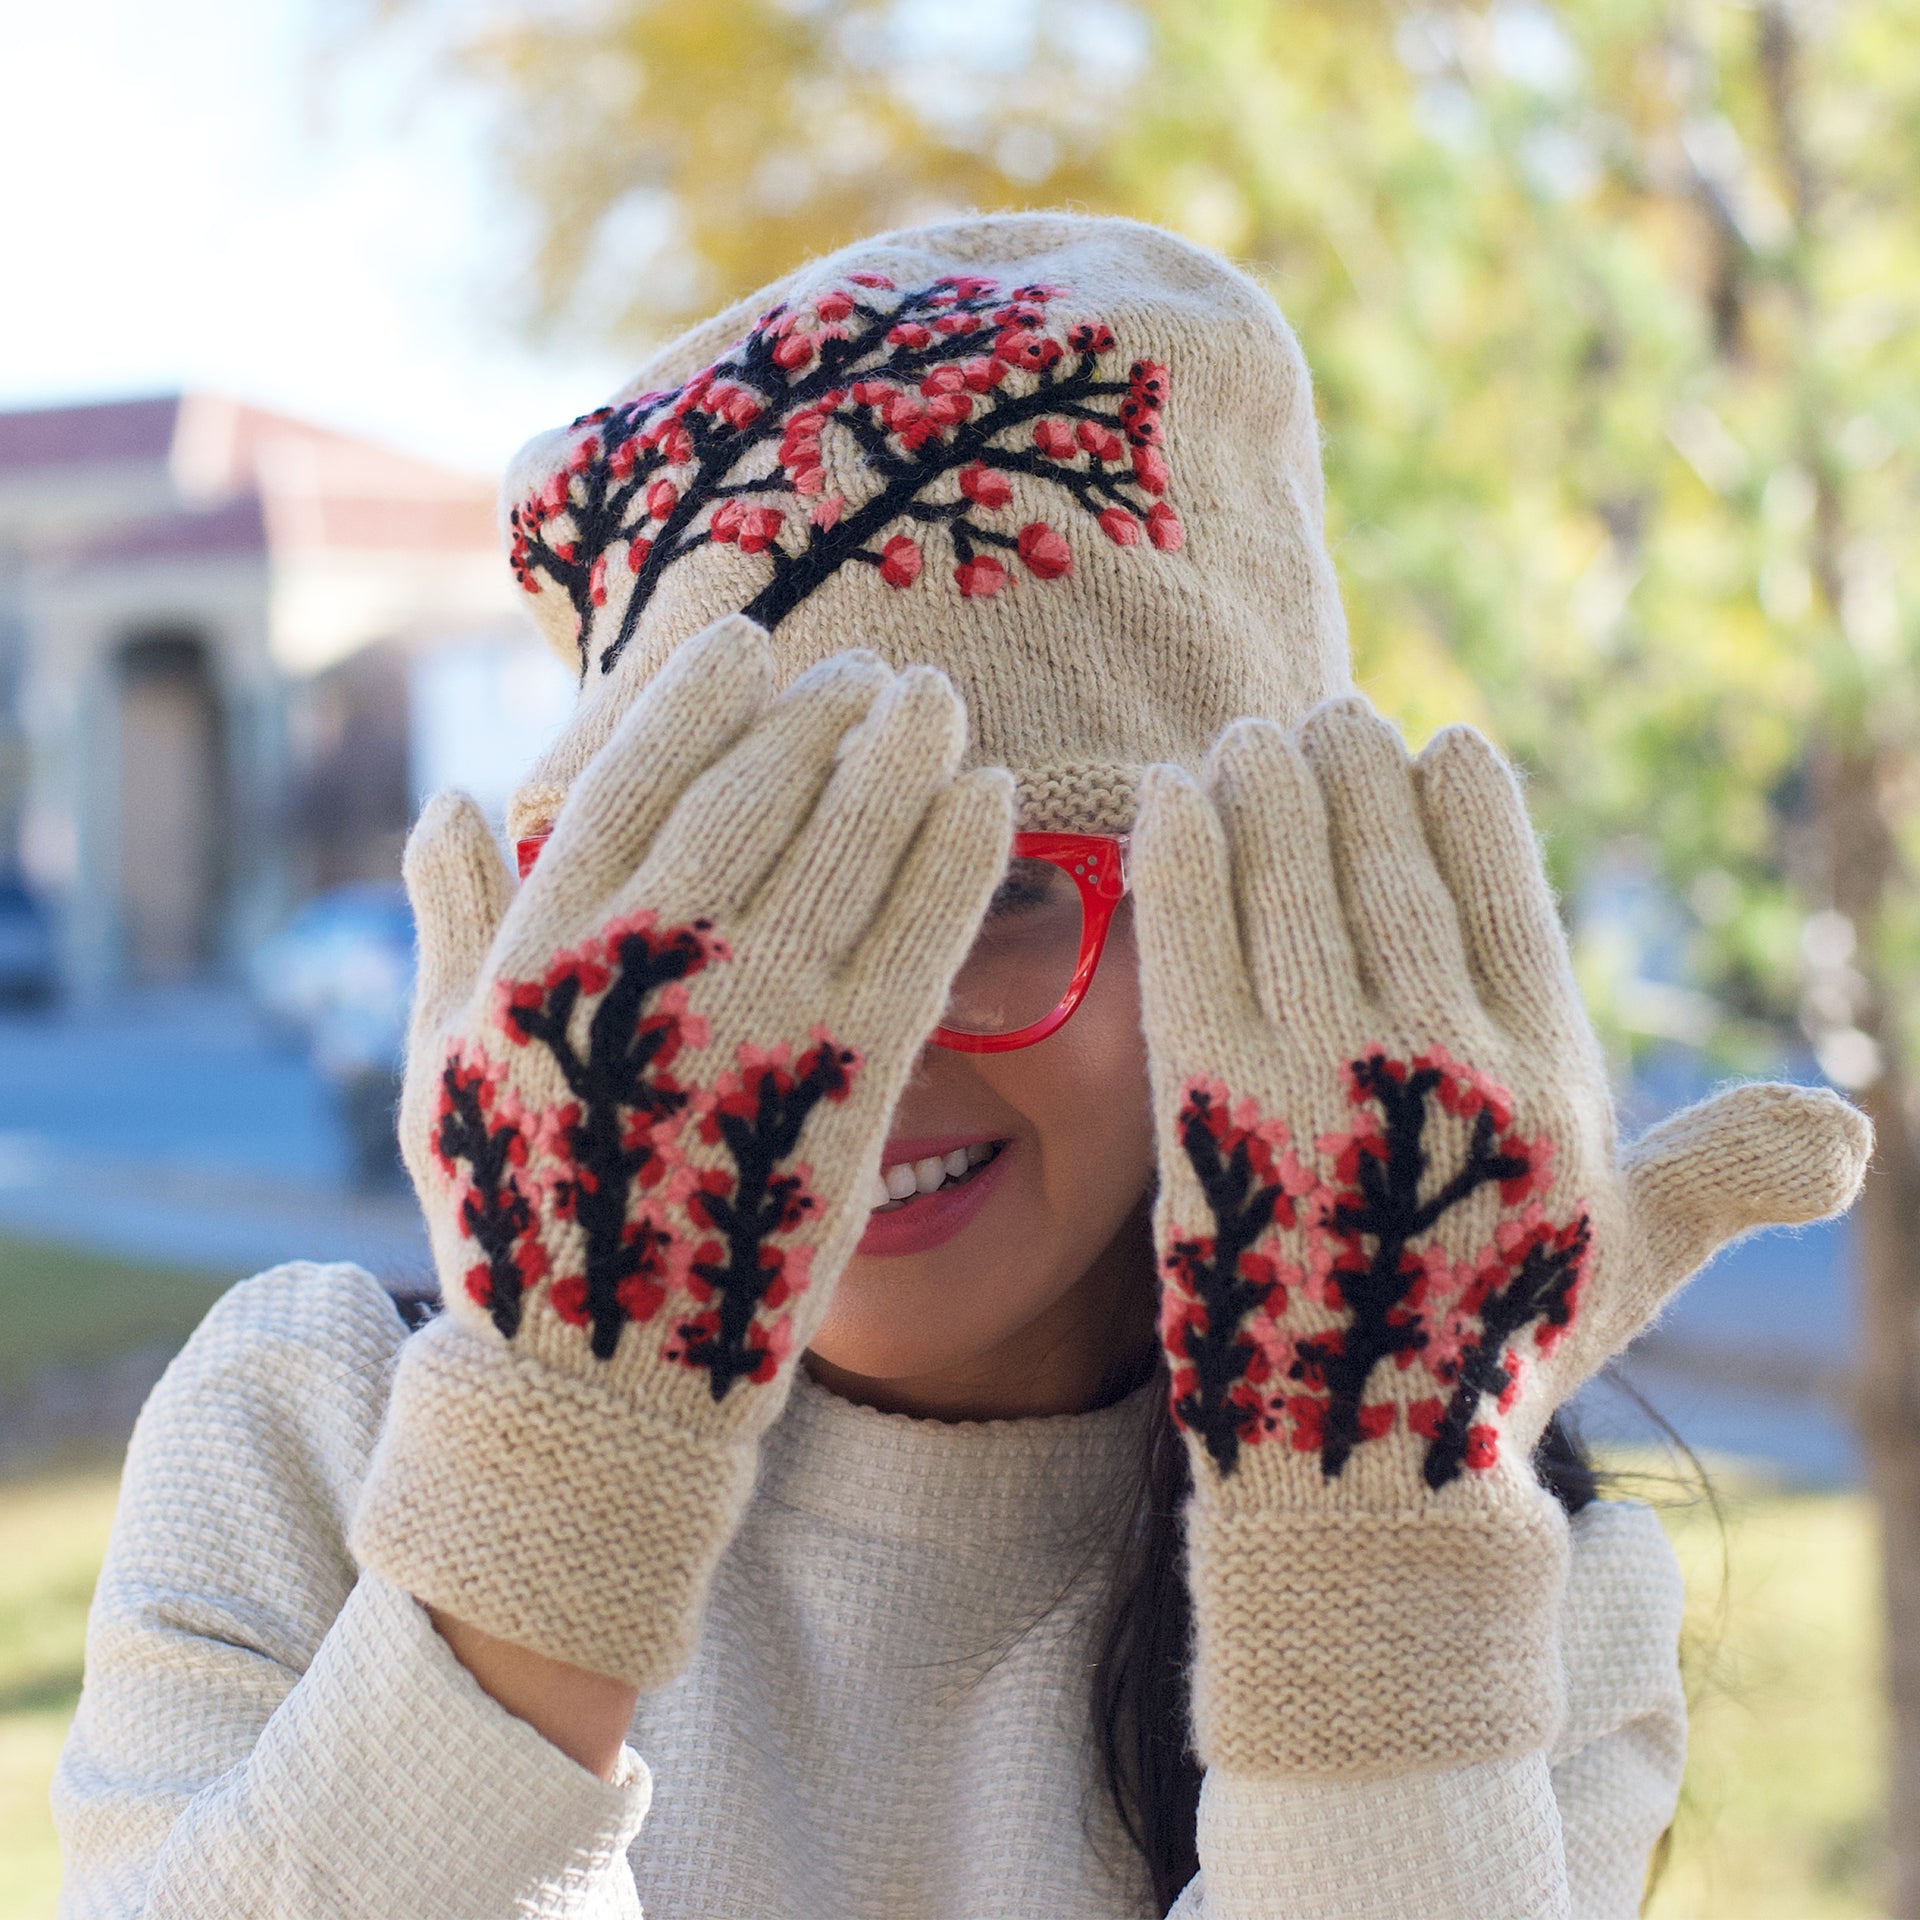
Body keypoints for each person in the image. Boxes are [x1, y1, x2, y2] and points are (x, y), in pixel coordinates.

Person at [53, 215, 1870, 1920]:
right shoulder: (311, 1438)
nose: (862, 1038)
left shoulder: (1507, 1594)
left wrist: (1370, 1617)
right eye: (744, 899)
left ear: (1257, 932)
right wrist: (549, 1511)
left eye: (998, 885)